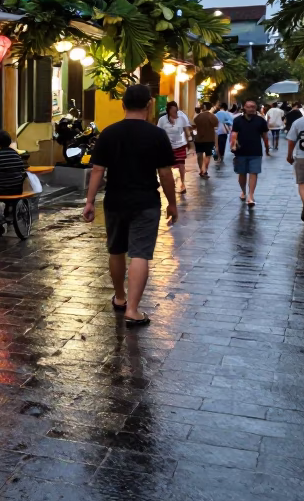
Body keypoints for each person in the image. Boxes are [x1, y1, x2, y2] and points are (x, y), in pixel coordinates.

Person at [83, 84, 176, 327]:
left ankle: (121, 297)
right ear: (149, 105)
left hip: (115, 199)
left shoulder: (109, 133)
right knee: (140, 253)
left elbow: (97, 170)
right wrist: (173, 204)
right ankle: (133, 310)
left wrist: (90, 201)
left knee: (116, 249)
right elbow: (165, 173)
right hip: (145, 201)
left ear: (122, 104)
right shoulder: (157, 135)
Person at [231, 98, 270, 206]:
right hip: (241, 151)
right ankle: (243, 191)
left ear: (256, 108)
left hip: (256, 151)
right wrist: (233, 144)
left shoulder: (261, 120)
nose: (251, 109)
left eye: (253, 107)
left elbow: (265, 136)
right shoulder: (237, 120)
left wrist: (267, 148)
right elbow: (234, 134)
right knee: (241, 174)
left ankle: (251, 195)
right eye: (248, 107)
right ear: (244, 107)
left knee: (254, 173)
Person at [156, 101, 192, 193]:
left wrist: (190, 142)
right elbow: (159, 132)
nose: (174, 112)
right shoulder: (162, 120)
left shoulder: (182, 117)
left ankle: (183, 184)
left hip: (180, 144)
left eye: (175, 110)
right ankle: (171, 182)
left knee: (181, 164)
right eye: (172, 110)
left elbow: (186, 130)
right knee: (168, 165)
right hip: (168, 146)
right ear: (168, 110)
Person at [192, 104, 219, 179]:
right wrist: (216, 144)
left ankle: (201, 169)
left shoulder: (197, 117)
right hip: (209, 139)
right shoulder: (212, 116)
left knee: (199, 155)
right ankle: (204, 170)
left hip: (198, 139)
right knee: (208, 155)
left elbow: (193, 127)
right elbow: (216, 129)